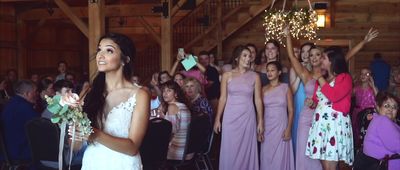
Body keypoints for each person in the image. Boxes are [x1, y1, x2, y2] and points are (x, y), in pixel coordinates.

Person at [71, 33, 150, 170]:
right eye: (99, 50)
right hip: (92, 162)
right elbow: (75, 146)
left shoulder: (140, 94)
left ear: (125, 60)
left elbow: (132, 148)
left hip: (123, 164)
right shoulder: (89, 92)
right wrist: (72, 117)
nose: (100, 55)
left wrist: (95, 134)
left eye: (109, 50)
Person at [214, 45, 264, 170]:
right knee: (230, 148)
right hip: (230, 118)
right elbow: (222, 98)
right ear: (237, 58)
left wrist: (261, 121)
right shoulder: (227, 75)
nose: (248, 59)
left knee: (246, 150)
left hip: (247, 117)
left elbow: (258, 100)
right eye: (245, 56)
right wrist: (217, 119)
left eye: (250, 56)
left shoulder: (255, 76)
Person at [306, 47, 354, 170]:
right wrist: (312, 103)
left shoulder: (345, 77)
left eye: (323, 57)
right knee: (325, 166)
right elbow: (318, 100)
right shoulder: (323, 78)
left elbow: (334, 96)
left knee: (330, 167)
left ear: (332, 60)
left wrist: (320, 78)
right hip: (321, 125)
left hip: (335, 126)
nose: (320, 60)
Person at [286, 31, 323, 170]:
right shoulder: (306, 74)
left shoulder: (329, 75)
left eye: (316, 54)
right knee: (303, 152)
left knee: (318, 155)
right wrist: (288, 35)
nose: (311, 57)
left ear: (323, 57)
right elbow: (291, 56)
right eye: (310, 54)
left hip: (321, 119)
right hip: (305, 117)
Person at [260, 61, 295, 170]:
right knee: (266, 156)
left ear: (279, 72)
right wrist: (260, 129)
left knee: (280, 157)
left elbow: (291, 110)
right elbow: (260, 110)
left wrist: (288, 129)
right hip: (267, 127)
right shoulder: (263, 89)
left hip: (281, 126)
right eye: (268, 70)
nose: (269, 73)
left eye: (272, 70)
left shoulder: (286, 88)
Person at [354, 92, 400, 170]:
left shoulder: (378, 120)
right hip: (382, 165)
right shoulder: (382, 120)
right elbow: (397, 144)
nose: (390, 109)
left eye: (394, 107)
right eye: (387, 106)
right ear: (378, 107)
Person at [1, 80, 39, 161]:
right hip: (20, 151)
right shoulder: (24, 107)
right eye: (35, 92)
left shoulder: (11, 103)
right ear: (27, 93)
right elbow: (40, 127)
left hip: (6, 150)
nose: (37, 94)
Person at [289, 42, 314, 151]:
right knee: (298, 137)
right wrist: (300, 73)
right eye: (303, 51)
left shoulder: (316, 70)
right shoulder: (294, 69)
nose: (305, 54)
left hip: (312, 106)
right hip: (299, 105)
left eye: (308, 52)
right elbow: (292, 91)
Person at [159, 80, 192, 160]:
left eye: (169, 90)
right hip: (187, 150)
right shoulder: (183, 105)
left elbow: (171, 131)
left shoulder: (172, 107)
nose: (165, 93)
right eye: (163, 91)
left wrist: (162, 120)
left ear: (176, 94)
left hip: (177, 151)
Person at [352, 68, 378, 148]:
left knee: (367, 133)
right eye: (362, 74)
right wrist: (351, 82)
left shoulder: (373, 89)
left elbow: (379, 99)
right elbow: (348, 95)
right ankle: (357, 150)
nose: (363, 76)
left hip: (368, 116)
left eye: (366, 74)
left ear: (370, 77)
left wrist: (373, 86)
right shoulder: (356, 88)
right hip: (357, 114)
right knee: (357, 133)